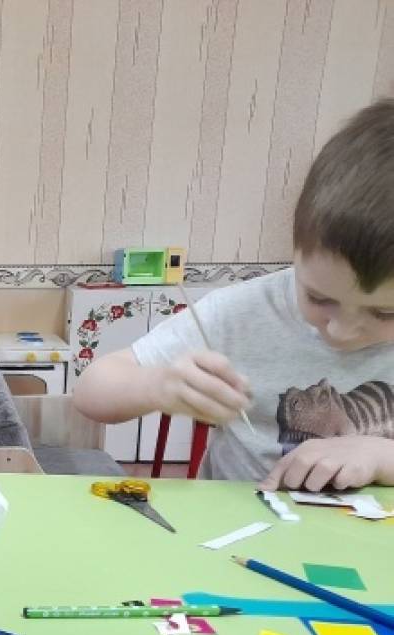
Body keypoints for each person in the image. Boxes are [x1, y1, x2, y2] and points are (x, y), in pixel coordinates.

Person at [73, 98, 394, 492]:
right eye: (319, 298)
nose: (342, 330)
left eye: (384, 313)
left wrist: (382, 456)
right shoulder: (244, 311)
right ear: (296, 251)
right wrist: (156, 386)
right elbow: (91, 390)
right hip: (237, 525)